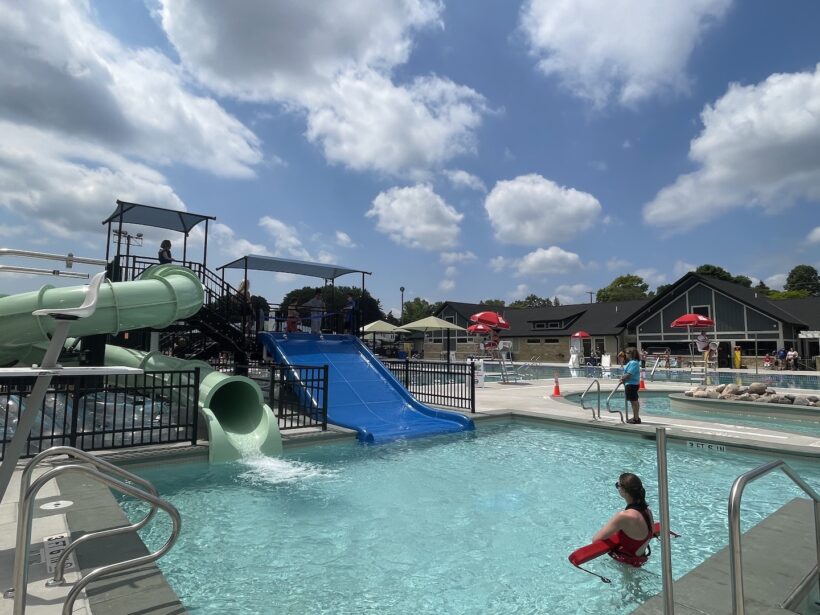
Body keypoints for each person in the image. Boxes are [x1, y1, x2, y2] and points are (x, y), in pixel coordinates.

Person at [593, 473, 655, 567]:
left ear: (624, 490)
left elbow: (596, 540)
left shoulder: (624, 516)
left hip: (625, 564)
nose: (617, 488)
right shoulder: (647, 512)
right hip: (640, 560)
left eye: (617, 485)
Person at [620, 347, 642, 424]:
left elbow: (629, 374)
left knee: (634, 402)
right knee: (634, 402)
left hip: (631, 384)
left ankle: (636, 418)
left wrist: (622, 378)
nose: (625, 354)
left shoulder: (634, 363)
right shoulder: (633, 362)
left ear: (631, 354)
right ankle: (636, 417)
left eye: (627, 353)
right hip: (632, 384)